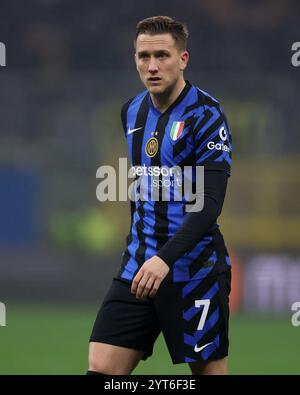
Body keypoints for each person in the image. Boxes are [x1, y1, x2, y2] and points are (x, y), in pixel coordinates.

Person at [88, 15, 232, 375]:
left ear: (182, 59)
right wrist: (139, 248)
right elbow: (141, 187)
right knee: (102, 368)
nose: (152, 66)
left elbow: (209, 204)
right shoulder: (131, 110)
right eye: (143, 56)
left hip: (193, 270)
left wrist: (165, 258)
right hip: (138, 267)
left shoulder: (207, 115)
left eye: (162, 56)